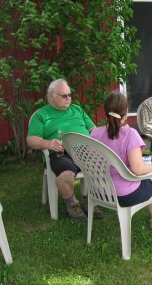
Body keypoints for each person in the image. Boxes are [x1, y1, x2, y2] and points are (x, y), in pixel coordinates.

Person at [91, 91, 152, 233]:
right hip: (125, 195)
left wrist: (149, 167)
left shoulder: (95, 134)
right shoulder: (130, 134)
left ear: (105, 111)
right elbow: (137, 170)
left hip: (101, 191)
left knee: (148, 175)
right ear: (125, 113)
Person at [27, 79, 103, 221]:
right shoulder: (41, 115)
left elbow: (94, 130)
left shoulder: (77, 109)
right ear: (52, 97)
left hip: (84, 149)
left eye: (69, 95)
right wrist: (48, 143)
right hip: (59, 152)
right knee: (66, 174)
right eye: (64, 95)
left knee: (100, 165)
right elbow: (31, 140)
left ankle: (89, 200)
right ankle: (72, 204)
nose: (69, 98)